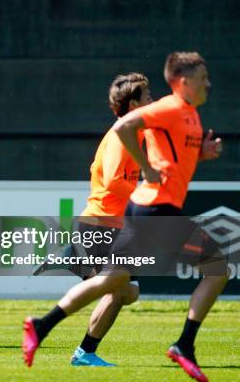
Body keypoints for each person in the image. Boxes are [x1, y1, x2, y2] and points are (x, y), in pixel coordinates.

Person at [22, 52, 227, 382]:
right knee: (213, 270)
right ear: (185, 82)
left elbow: (173, 168)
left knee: (119, 286)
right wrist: (146, 172)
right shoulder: (169, 110)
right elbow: (123, 139)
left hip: (139, 213)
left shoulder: (185, 118)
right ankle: (182, 346)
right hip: (131, 216)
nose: (209, 83)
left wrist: (201, 155)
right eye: (203, 77)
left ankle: (43, 326)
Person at [69, 73, 151, 366]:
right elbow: (116, 181)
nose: (151, 101)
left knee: (128, 293)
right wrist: (146, 194)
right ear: (133, 104)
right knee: (120, 291)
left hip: (112, 226)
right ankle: (84, 352)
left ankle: (84, 351)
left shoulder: (134, 133)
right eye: (147, 97)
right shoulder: (121, 133)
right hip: (101, 224)